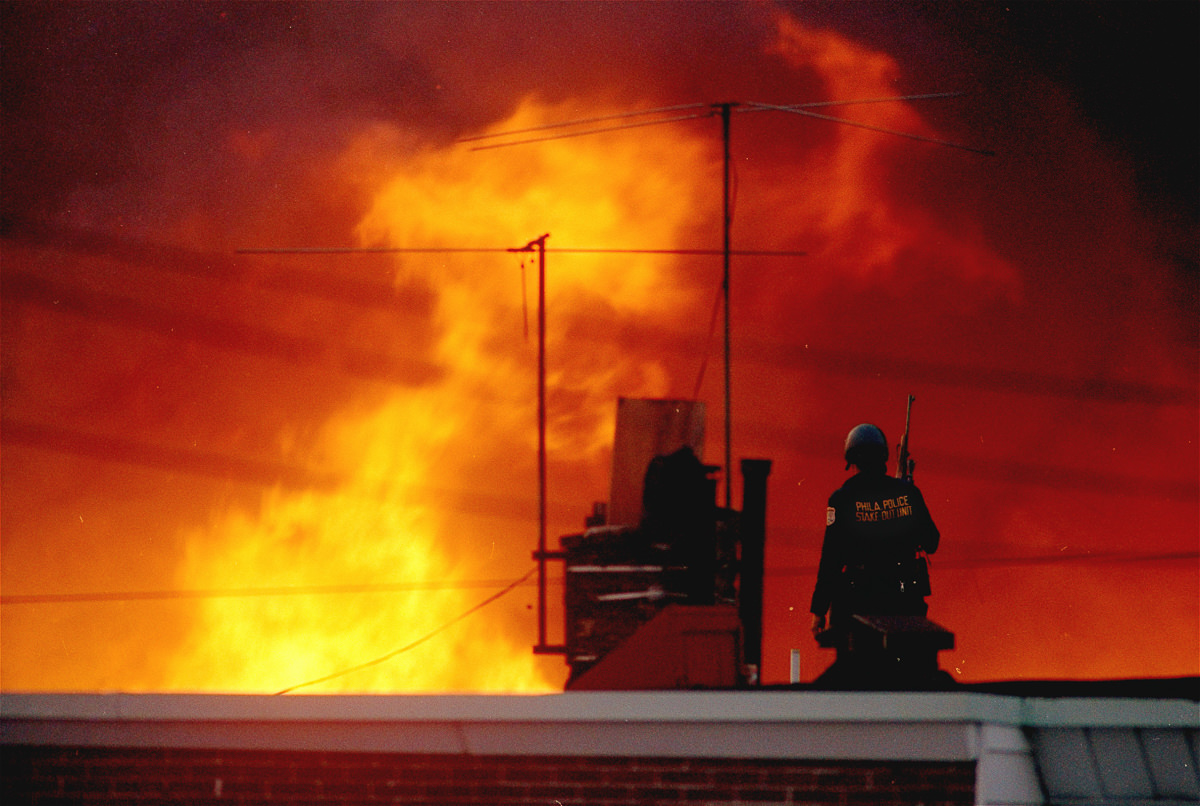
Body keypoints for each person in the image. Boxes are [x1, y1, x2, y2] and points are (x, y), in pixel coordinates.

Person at [810, 423, 940, 638]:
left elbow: (831, 560)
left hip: (858, 604)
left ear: (851, 459)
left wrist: (818, 609)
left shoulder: (841, 499)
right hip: (903, 603)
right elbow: (932, 542)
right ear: (884, 455)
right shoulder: (908, 493)